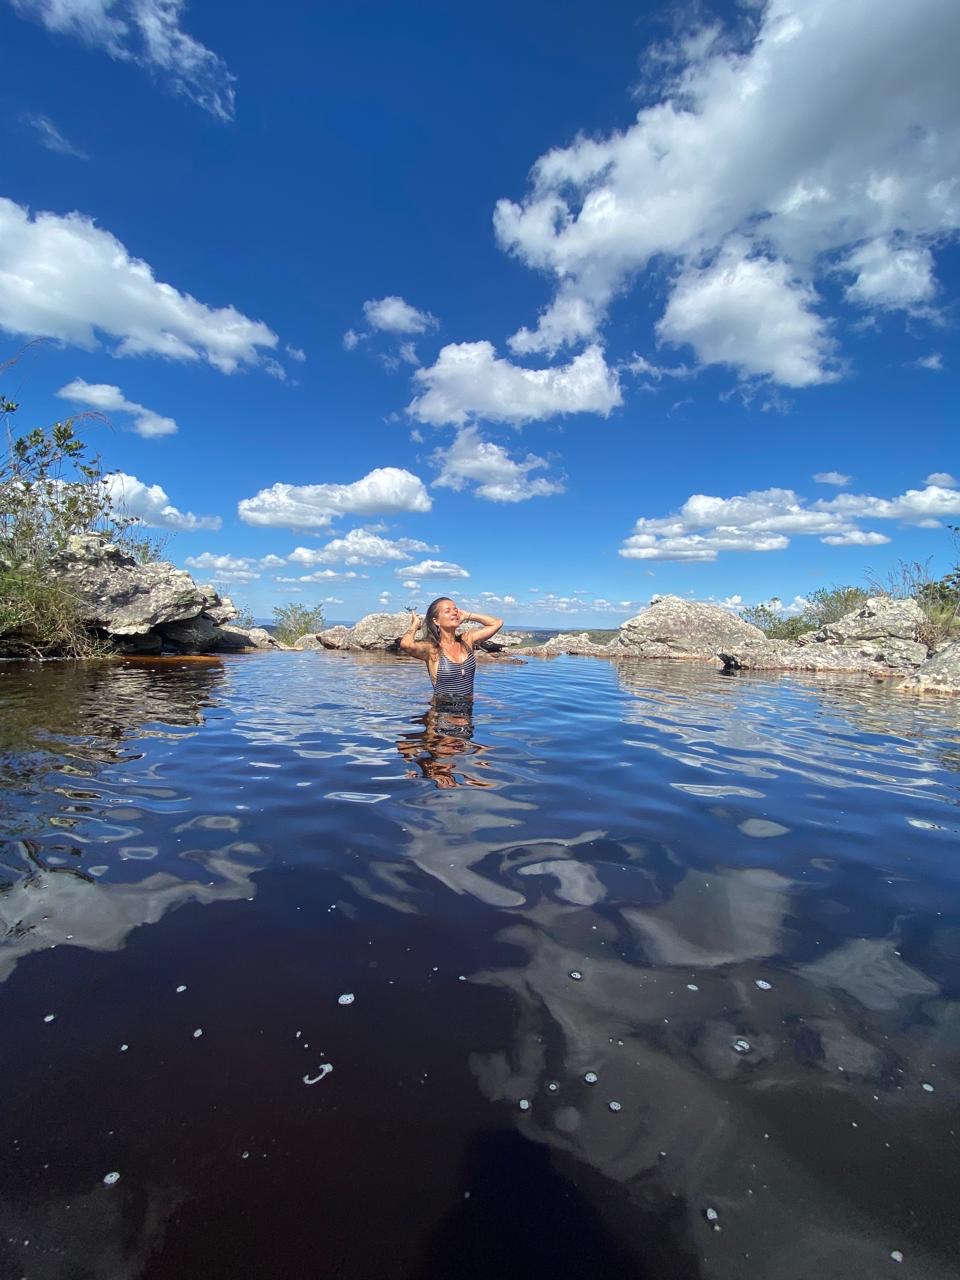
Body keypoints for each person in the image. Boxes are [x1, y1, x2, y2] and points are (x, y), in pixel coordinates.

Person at [399, 597, 503, 702]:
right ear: (436, 621)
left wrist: (467, 615)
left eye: (455, 610)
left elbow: (497, 623)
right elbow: (405, 644)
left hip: (467, 713)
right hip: (441, 714)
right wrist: (415, 625)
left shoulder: (467, 640)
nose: (454, 613)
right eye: (447, 611)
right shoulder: (432, 649)